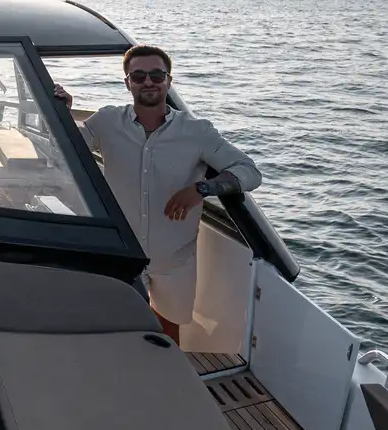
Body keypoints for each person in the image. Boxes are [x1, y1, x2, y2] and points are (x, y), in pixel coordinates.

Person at [53, 45, 260, 342]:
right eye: (138, 76)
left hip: (174, 258)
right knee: (114, 330)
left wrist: (202, 189)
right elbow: (66, 148)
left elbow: (249, 170)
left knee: (168, 336)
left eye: (156, 75)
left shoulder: (197, 131)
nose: (148, 82)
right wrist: (63, 112)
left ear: (169, 80)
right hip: (121, 253)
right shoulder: (106, 122)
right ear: (128, 83)